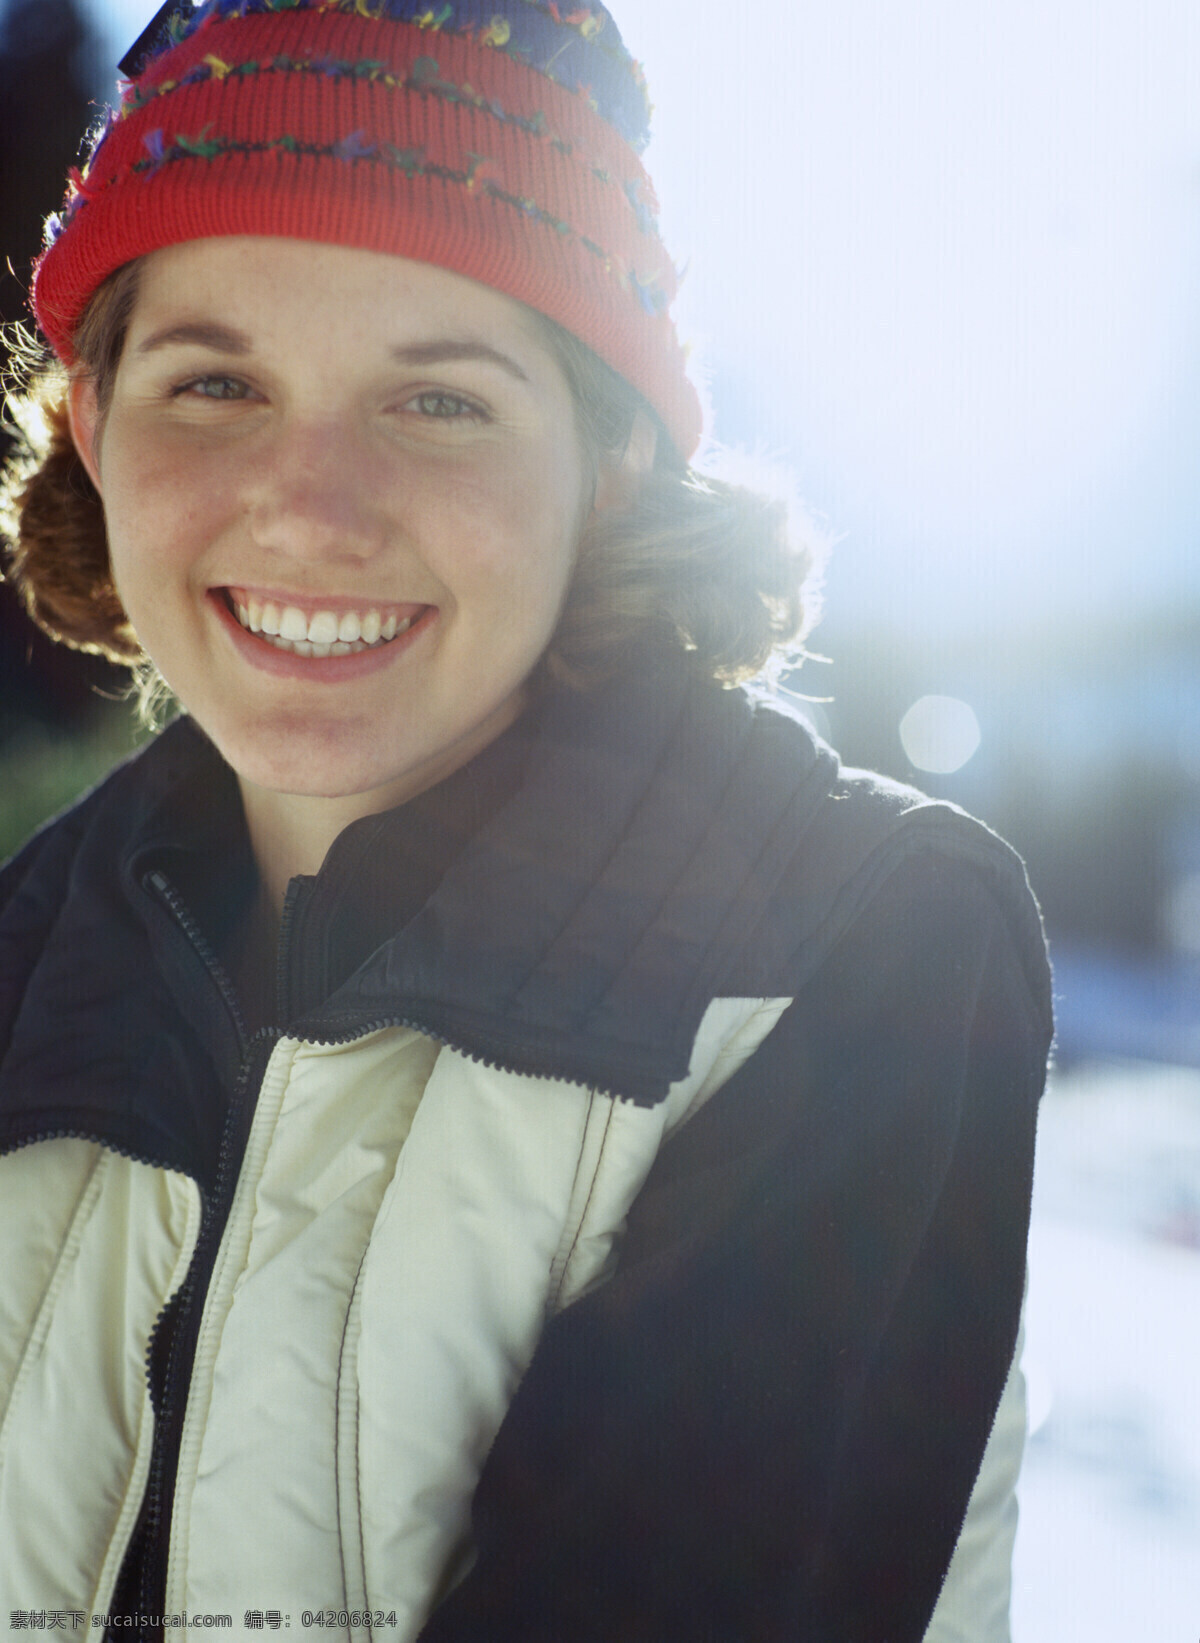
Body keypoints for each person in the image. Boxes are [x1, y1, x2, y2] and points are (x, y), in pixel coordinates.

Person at [0, 1, 1052, 1638]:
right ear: (91, 420)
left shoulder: (854, 946)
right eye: (216, 383)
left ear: (610, 462)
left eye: (440, 404)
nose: (309, 505)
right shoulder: (22, 953)